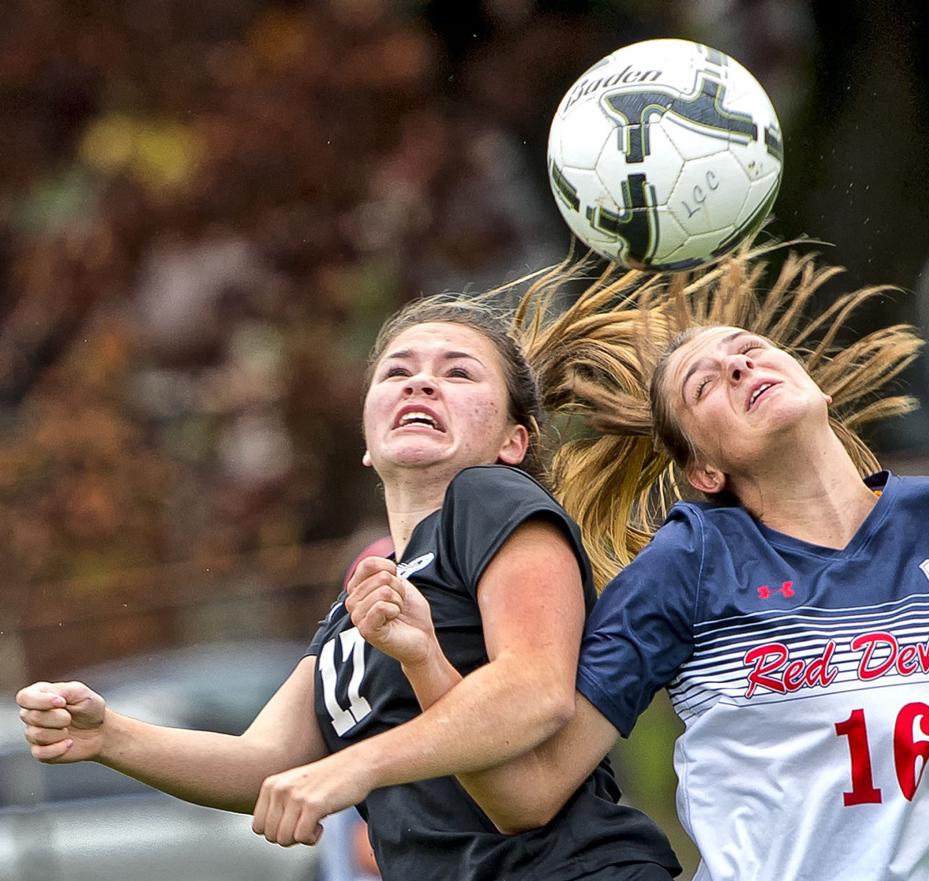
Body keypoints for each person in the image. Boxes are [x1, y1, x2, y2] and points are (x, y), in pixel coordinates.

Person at [330, 249, 929, 881]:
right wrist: (428, 661)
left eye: (750, 349)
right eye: (706, 383)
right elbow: (529, 793)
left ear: (807, 377)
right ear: (705, 469)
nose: (740, 362)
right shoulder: (689, 561)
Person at [15, 293, 681, 881]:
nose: (422, 382)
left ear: (513, 439)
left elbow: (533, 692)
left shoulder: (491, 499)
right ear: (368, 438)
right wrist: (111, 737)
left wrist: (358, 765)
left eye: (458, 372)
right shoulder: (358, 604)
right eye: (398, 371)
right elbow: (268, 761)